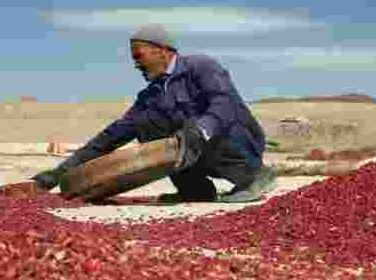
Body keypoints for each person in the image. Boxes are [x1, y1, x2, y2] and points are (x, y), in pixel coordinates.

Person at [32, 23, 277, 203]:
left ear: (162, 50)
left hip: (238, 144)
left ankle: (254, 176)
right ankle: (196, 190)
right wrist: (58, 174)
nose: (136, 64)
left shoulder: (200, 67)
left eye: (139, 56)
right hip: (196, 153)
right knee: (146, 125)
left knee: (206, 123)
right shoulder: (149, 97)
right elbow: (108, 139)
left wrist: (201, 130)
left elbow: (225, 104)